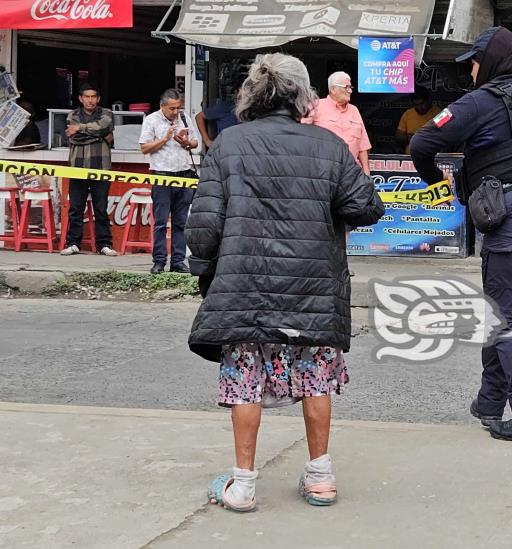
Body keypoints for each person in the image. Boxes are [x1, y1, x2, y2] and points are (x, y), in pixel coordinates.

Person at [186, 53, 384, 511]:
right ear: (304, 96)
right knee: (315, 380)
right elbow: (367, 208)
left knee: (245, 380)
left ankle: (243, 486)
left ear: (251, 96)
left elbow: (204, 225)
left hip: (243, 286)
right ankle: (321, 478)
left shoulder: (229, 145)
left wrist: (204, 272)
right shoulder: (328, 146)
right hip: (312, 287)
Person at [410, 27, 512, 445]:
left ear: (492, 62)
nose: (470, 70)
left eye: (474, 61)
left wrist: (438, 184)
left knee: (508, 320)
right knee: (504, 309)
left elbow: (421, 143)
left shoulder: (483, 101)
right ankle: (489, 403)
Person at [139, 88, 199, 274]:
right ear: (162, 106)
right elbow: (144, 148)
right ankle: (159, 261)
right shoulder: (152, 120)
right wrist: (165, 139)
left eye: (178, 108)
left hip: (184, 174)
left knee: (181, 222)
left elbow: (196, 143)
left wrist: (185, 142)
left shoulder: (184, 118)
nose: (175, 112)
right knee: (160, 222)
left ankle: (178, 261)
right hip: (162, 175)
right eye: (172, 108)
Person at [60, 83, 117, 256]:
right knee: (76, 207)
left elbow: (105, 126)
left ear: (98, 99)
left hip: (101, 167)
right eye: (87, 96)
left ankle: (104, 245)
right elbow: (76, 138)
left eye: (93, 97)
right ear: (80, 98)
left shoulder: (106, 113)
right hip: (77, 167)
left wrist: (80, 129)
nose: (90, 100)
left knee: (101, 208)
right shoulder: (73, 115)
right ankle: (73, 243)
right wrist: (99, 136)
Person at [303, 71, 371, 175]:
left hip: (352, 174)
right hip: (323, 173)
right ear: (333, 89)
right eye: (346, 87)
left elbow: (363, 146)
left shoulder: (354, 110)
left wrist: (366, 173)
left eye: (350, 88)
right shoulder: (315, 106)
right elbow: (301, 137)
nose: (350, 91)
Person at [194, 74, 244, 149]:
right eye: (242, 90)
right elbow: (199, 116)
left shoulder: (253, 112)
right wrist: (206, 140)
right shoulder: (225, 107)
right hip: (225, 149)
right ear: (236, 92)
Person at [395, 86, 441, 154]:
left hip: (431, 156)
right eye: (416, 104)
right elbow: (398, 135)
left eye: (422, 104)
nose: (419, 107)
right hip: (410, 158)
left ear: (428, 100)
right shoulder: (408, 114)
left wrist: (424, 138)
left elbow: (445, 135)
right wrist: (408, 138)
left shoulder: (439, 114)